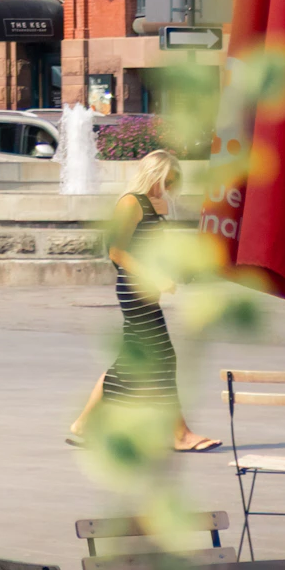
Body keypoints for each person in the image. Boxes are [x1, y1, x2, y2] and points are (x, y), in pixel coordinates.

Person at [70, 147, 218, 452]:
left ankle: (84, 424)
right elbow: (116, 251)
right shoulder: (131, 203)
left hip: (147, 291)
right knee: (164, 358)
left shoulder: (156, 204)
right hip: (134, 290)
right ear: (156, 175)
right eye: (171, 179)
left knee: (130, 363)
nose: (174, 186)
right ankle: (180, 434)